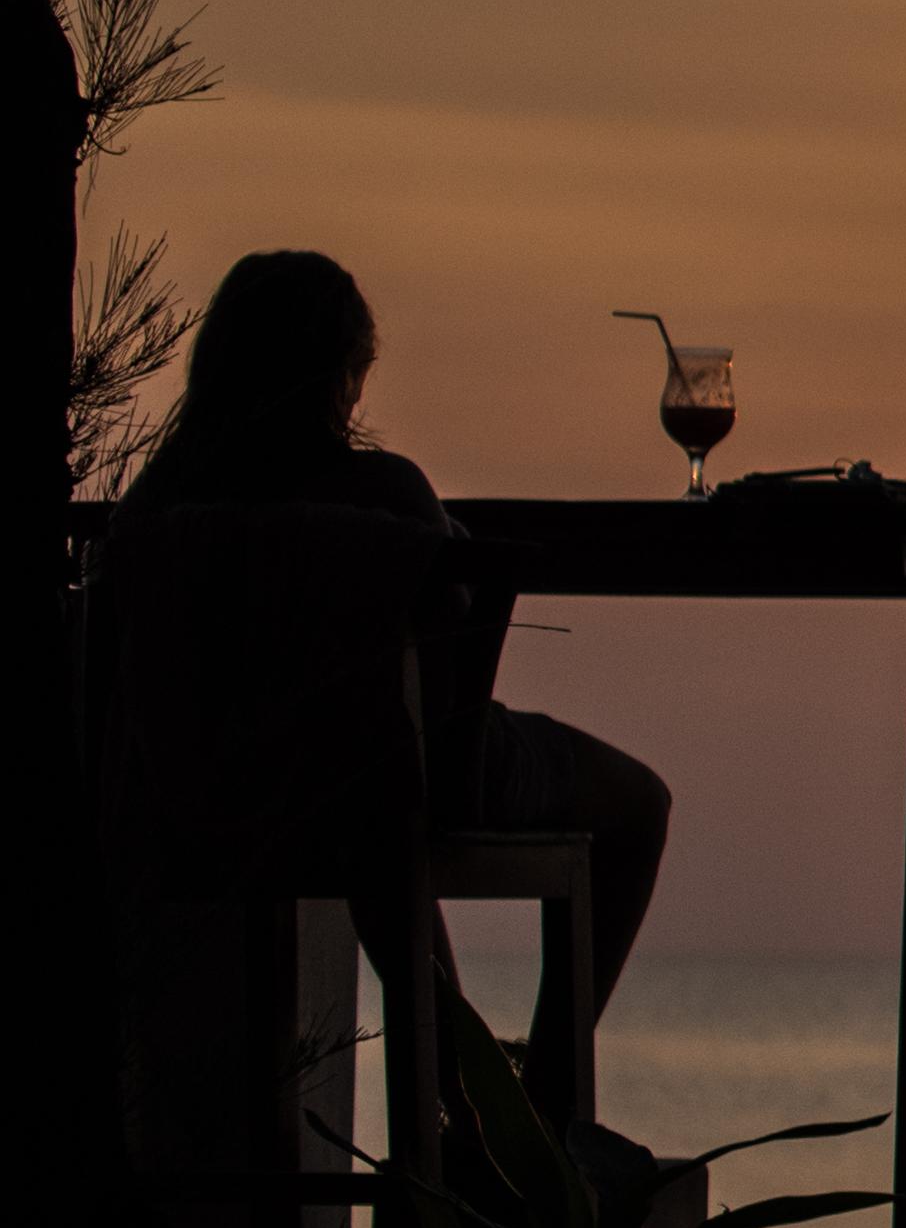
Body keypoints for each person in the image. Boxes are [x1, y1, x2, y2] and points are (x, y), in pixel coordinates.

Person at [110, 249, 677, 1106]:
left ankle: (471, 1095)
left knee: (383, 791)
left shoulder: (153, 516)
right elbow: (455, 625)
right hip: (391, 781)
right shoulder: (376, 496)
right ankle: (537, 1124)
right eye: (356, 373)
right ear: (337, 376)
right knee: (639, 804)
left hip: (213, 804)